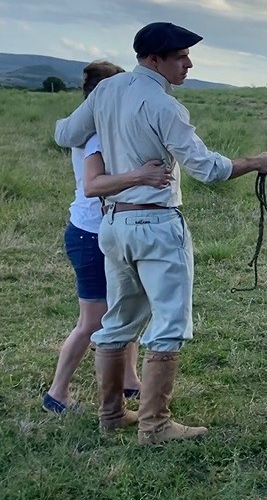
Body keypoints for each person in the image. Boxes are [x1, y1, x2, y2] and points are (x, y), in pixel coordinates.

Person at [53, 22, 267, 443]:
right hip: (156, 224)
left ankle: (111, 414)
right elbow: (207, 169)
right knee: (170, 323)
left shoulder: (106, 91)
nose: (188, 63)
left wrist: (109, 137)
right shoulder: (163, 105)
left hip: (114, 223)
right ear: (154, 59)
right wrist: (255, 162)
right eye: (180, 56)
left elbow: (65, 133)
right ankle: (155, 424)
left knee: (118, 319)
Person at [43, 60, 173, 415]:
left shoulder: (102, 127)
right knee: (94, 320)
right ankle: (57, 392)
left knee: (124, 310)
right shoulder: (97, 135)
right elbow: (92, 186)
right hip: (91, 234)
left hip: (111, 232)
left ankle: (130, 381)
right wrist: (141, 176)